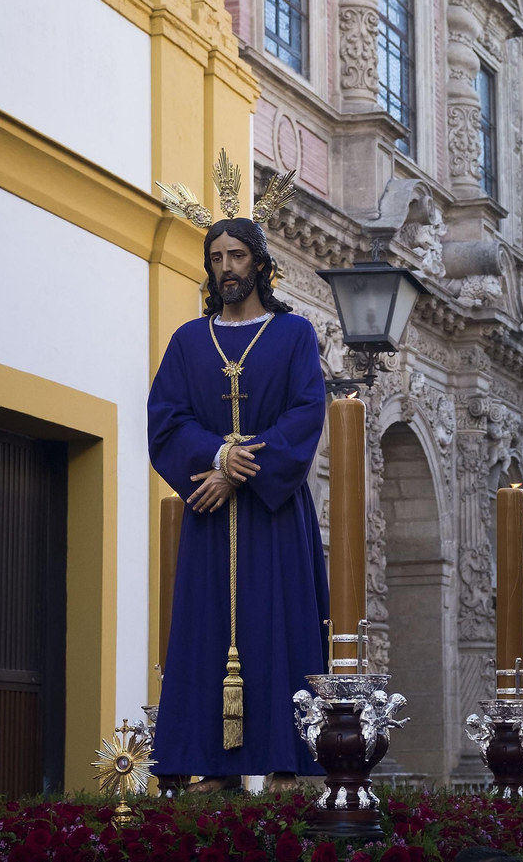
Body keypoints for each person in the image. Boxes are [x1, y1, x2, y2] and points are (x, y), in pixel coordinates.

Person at [149, 185, 329, 789]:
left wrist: (236, 471)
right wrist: (216, 456)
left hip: (273, 517)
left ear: (260, 263)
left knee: (277, 630)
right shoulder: (186, 341)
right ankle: (209, 768)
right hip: (208, 516)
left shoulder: (294, 334)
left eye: (237, 256)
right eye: (217, 257)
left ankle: (283, 767)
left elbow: (306, 412)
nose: (227, 267)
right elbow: (166, 419)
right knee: (205, 634)